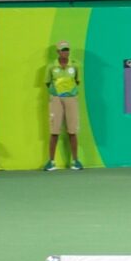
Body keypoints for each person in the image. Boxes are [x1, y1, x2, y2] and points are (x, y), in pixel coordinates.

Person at [43, 39, 84, 170]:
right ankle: (51, 161)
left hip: (71, 98)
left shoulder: (75, 65)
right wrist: (57, 92)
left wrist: (68, 92)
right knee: (54, 131)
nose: (65, 52)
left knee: (72, 131)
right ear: (58, 52)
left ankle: (75, 161)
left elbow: (77, 81)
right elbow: (47, 82)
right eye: (63, 50)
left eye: (67, 50)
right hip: (56, 99)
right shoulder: (51, 66)